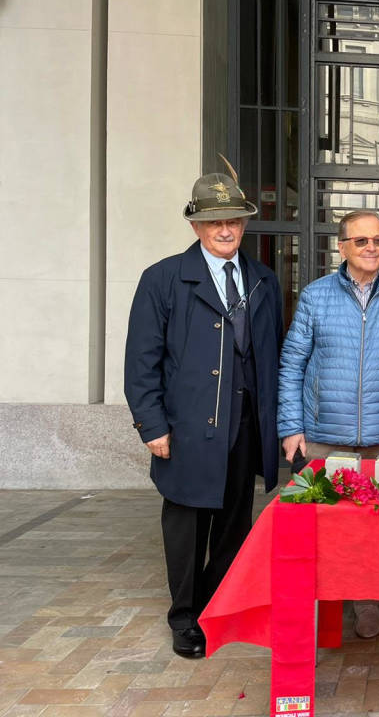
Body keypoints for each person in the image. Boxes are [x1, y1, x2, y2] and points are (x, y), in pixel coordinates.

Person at [124, 162, 283, 659]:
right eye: (214, 221)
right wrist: (152, 424)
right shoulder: (164, 278)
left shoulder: (263, 280)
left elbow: (272, 353)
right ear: (195, 225)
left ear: (244, 223)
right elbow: (141, 360)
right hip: (187, 429)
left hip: (245, 426)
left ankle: (218, 605)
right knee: (188, 527)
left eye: (233, 220)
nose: (225, 229)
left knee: (234, 524)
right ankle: (186, 618)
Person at [277, 209, 379, 639]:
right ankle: (312, 603)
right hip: (323, 440)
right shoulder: (315, 296)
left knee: (372, 529)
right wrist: (291, 428)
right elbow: (291, 366)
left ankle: (365, 601)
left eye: (378, 241)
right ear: (342, 247)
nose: (371, 248)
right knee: (316, 528)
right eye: (361, 241)